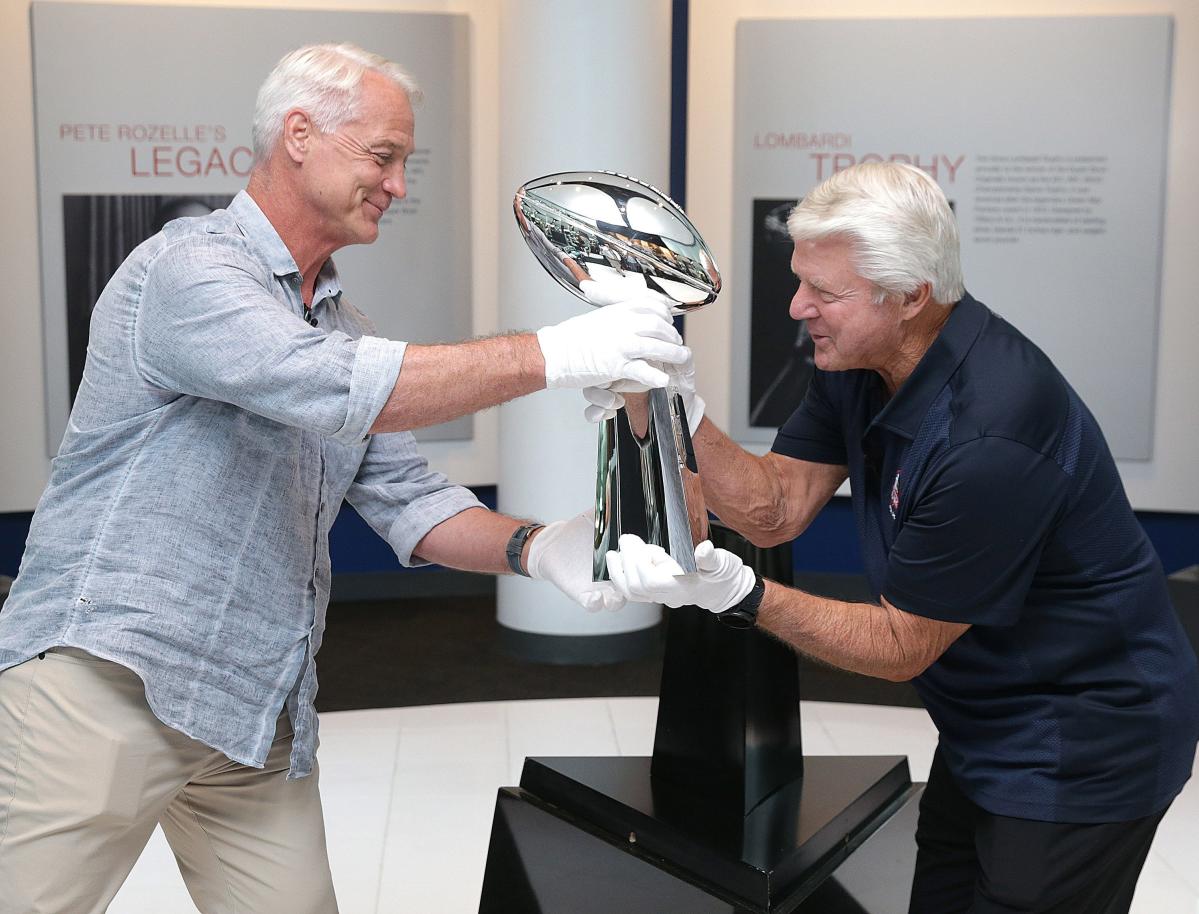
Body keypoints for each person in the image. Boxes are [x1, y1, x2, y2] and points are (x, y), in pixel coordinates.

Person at [0, 43, 686, 914]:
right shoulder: (189, 269)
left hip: (253, 714)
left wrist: (538, 547)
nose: (398, 184)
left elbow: (407, 497)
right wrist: (555, 352)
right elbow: (329, 383)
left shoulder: (340, 322)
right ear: (298, 134)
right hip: (107, 685)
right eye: (382, 155)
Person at [589, 162, 1199, 914]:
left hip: (1084, 736)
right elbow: (775, 508)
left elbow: (900, 645)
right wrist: (667, 398)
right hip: (985, 715)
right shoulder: (862, 360)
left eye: (824, 293)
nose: (796, 306)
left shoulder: (992, 432)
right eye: (800, 280)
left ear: (911, 296)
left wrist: (738, 593)